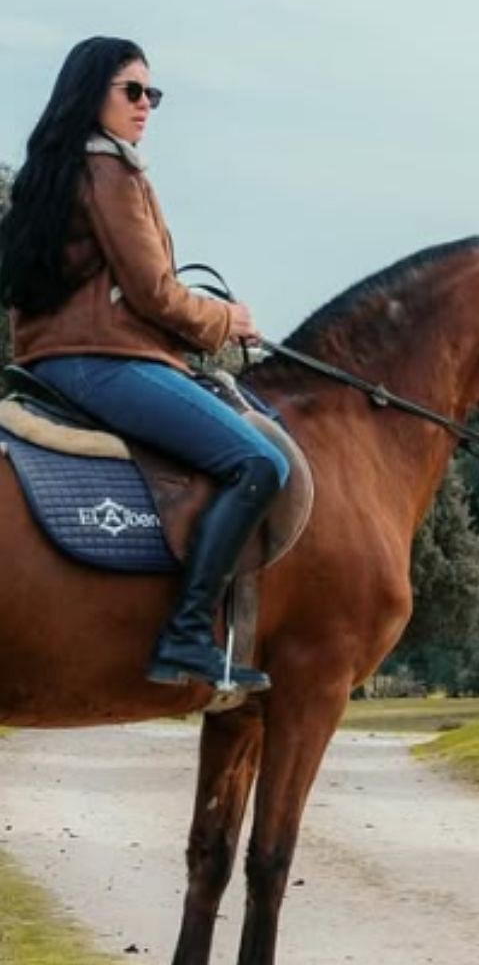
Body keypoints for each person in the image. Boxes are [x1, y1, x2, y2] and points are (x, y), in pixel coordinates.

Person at [1, 36, 289, 691]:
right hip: (103, 365)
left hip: (55, 363)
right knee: (261, 461)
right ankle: (187, 635)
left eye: (152, 94)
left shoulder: (57, 172)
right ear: (91, 92)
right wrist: (227, 321)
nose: (145, 105)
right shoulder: (110, 172)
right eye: (131, 90)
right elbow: (155, 292)